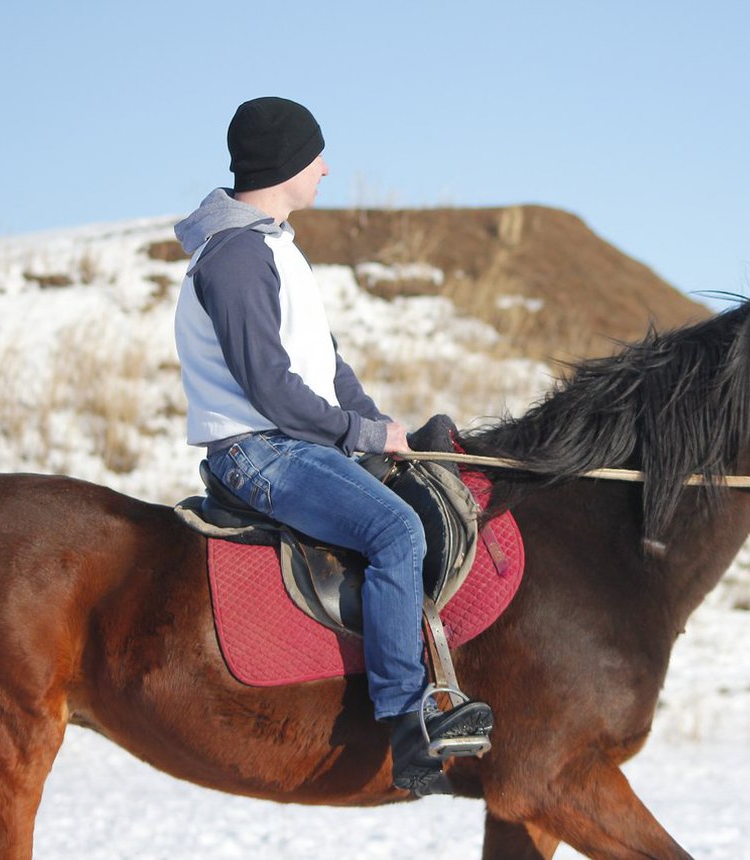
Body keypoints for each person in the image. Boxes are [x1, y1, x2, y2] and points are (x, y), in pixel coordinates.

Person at [172, 96, 491, 794]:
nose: (326, 167)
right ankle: (408, 723)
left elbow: (327, 366)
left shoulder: (275, 247)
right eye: (317, 153)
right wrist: (361, 434)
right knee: (395, 529)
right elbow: (271, 387)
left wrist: (382, 430)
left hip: (296, 441)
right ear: (286, 163)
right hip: (258, 449)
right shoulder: (236, 258)